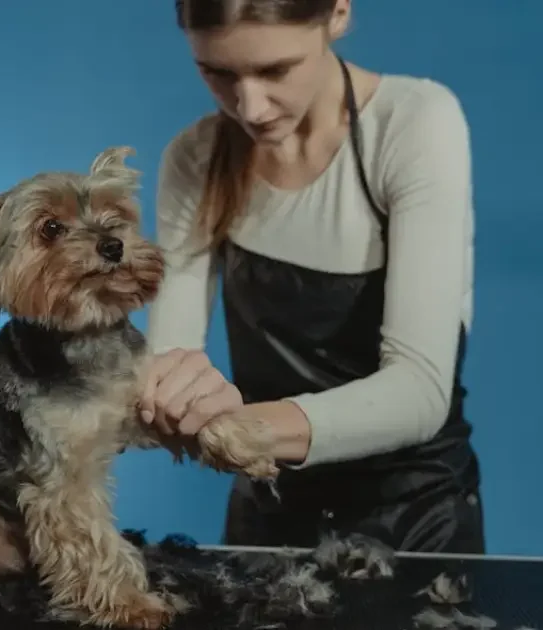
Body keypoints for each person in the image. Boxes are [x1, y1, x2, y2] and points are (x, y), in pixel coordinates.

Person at [139, 0, 484, 554]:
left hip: (414, 519)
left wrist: (238, 429)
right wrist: (168, 400)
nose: (249, 107)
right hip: (267, 517)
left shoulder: (413, 121)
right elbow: (168, 366)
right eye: (218, 73)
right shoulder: (194, 158)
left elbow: (419, 391)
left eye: (276, 70)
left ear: (339, 13)